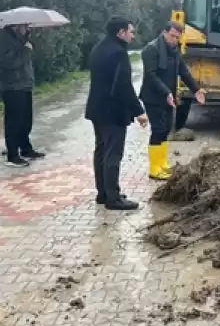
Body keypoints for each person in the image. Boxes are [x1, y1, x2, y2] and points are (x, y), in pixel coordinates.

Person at [85, 17, 148, 210]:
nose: (132, 34)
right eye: (130, 31)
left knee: (101, 151)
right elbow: (123, 86)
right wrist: (139, 111)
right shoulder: (118, 53)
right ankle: (113, 199)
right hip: (112, 111)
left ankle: (103, 194)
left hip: (97, 109)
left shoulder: (98, 48)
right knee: (113, 154)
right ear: (120, 32)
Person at [140, 21, 206, 180]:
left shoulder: (174, 50)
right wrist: (166, 93)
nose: (174, 40)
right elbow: (151, 76)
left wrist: (196, 90)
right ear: (164, 32)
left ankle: (162, 163)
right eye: (172, 36)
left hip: (168, 98)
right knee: (158, 130)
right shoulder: (151, 49)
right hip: (153, 97)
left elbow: (184, 71)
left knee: (166, 129)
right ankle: (154, 169)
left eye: (177, 37)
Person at [0, 24, 45, 168]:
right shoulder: (4, 39)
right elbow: (9, 62)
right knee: (14, 121)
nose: (27, 26)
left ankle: (25, 148)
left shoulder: (18, 37)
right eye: (25, 25)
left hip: (24, 84)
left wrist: (26, 37)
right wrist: (26, 50)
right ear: (16, 24)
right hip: (12, 85)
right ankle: (12, 154)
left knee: (25, 119)